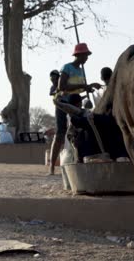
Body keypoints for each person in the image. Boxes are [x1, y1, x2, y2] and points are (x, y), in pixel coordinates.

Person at [48, 43, 101, 175]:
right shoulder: (67, 67)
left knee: (77, 133)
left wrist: (88, 87)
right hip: (63, 103)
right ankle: (52, 166)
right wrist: (84, 85)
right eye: (85, 55)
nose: (87, 58)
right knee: (60, 133)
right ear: (78, 55)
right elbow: (62, 87)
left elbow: (78, 89)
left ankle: (77, 162)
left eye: (87, 55)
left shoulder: (81, 71)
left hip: (75, 105)